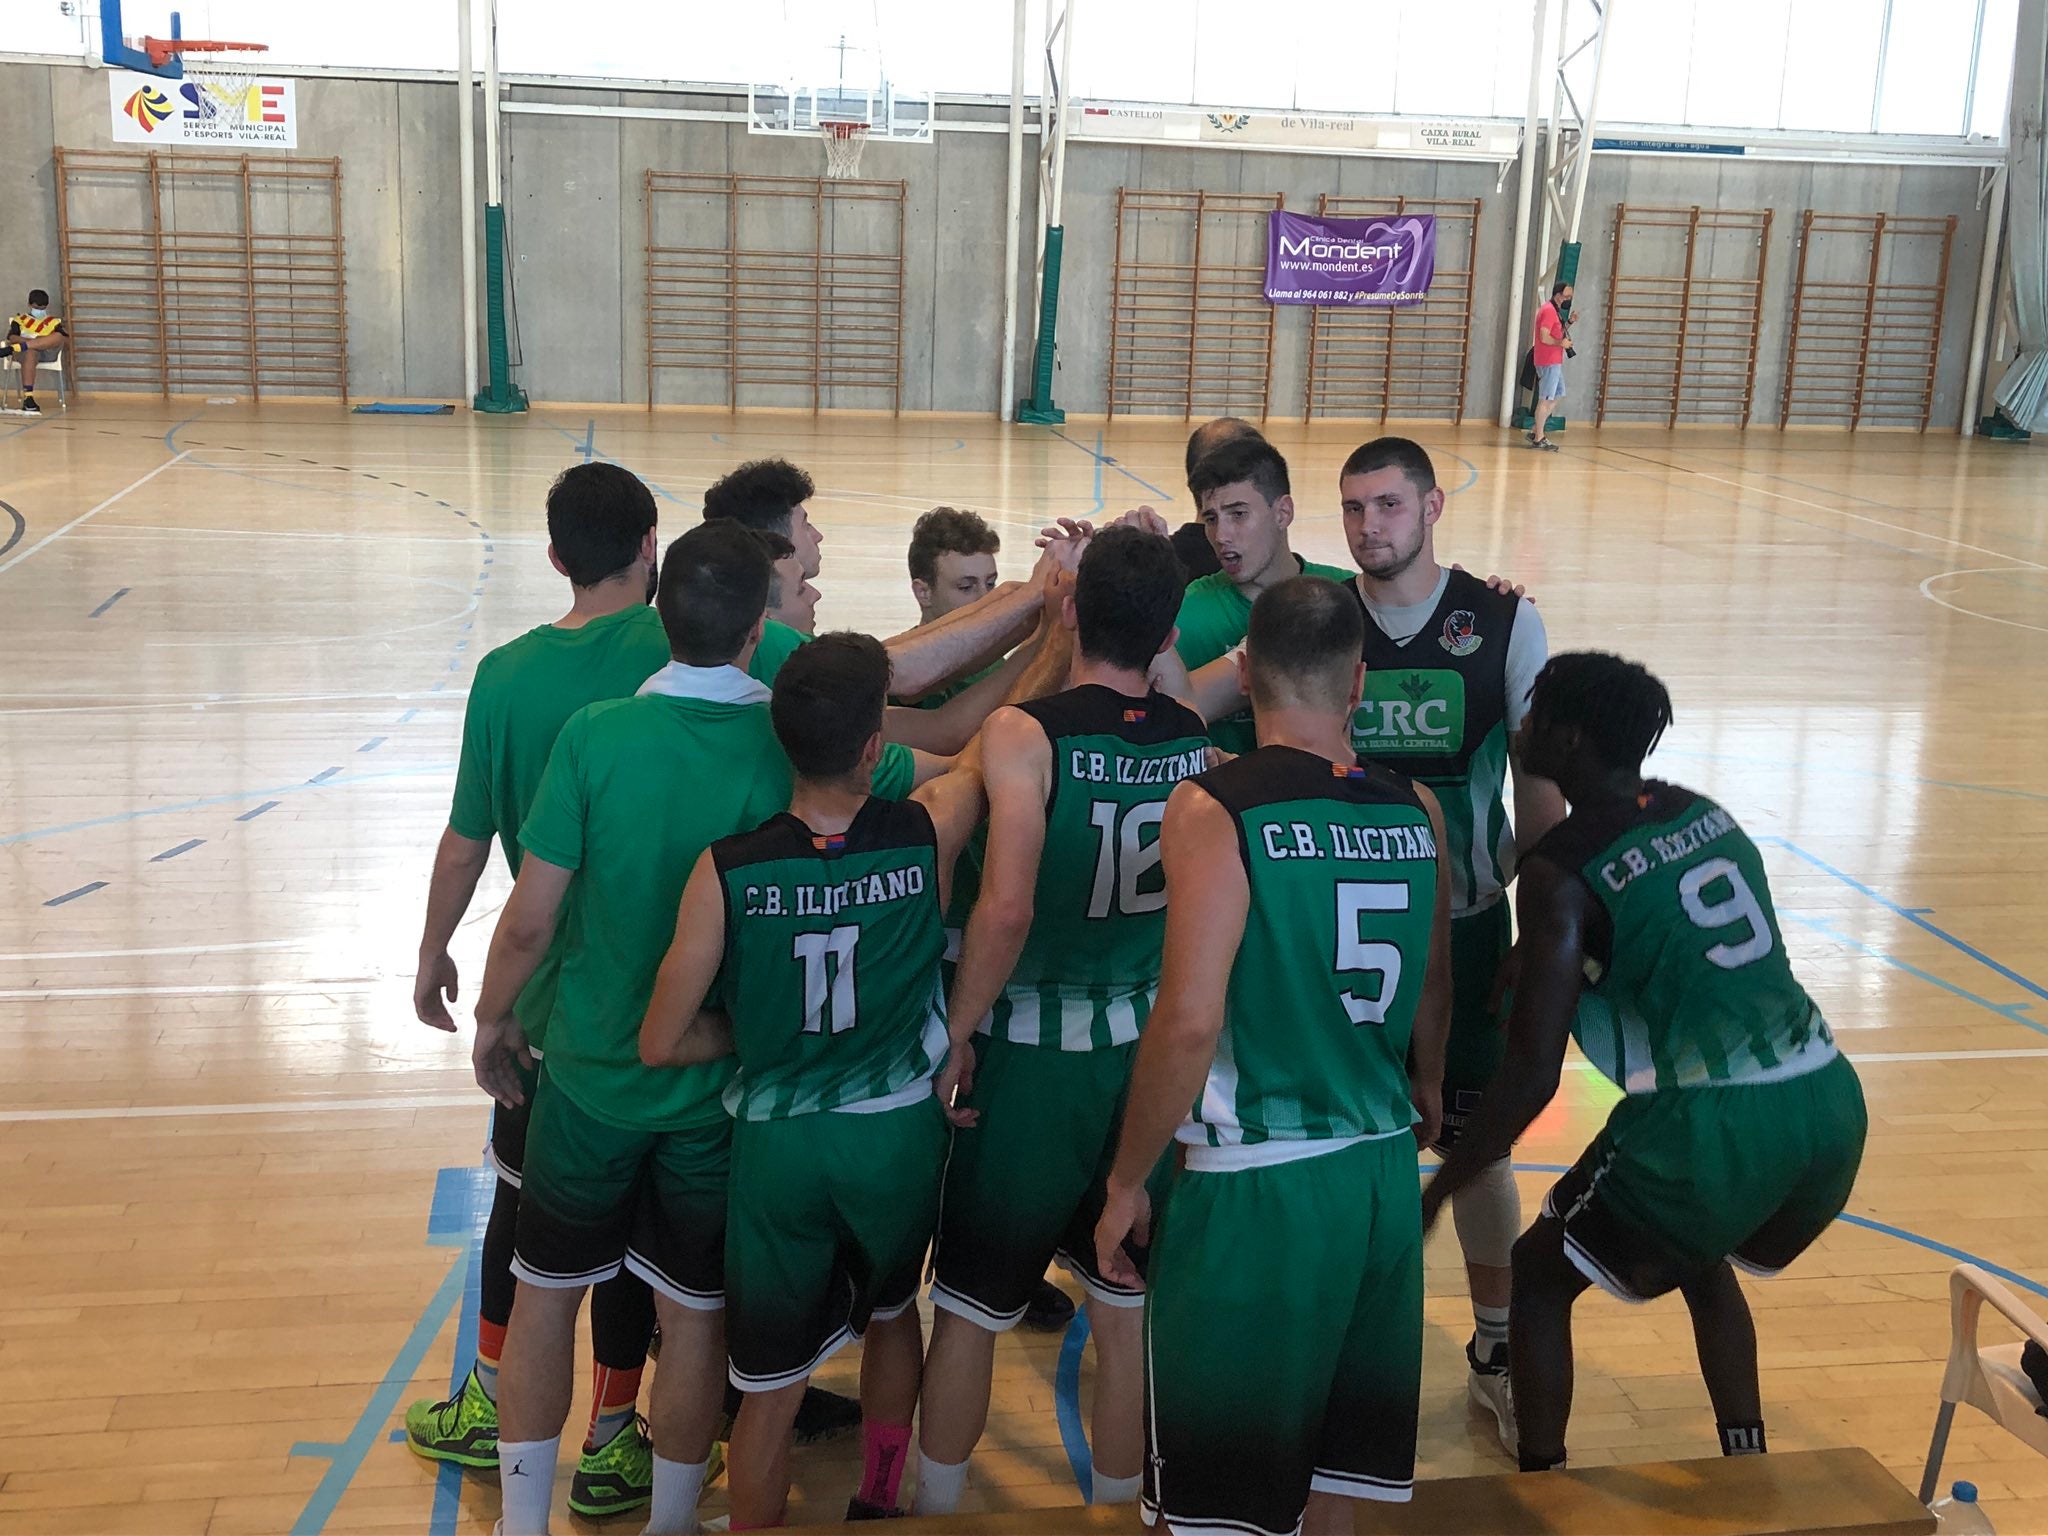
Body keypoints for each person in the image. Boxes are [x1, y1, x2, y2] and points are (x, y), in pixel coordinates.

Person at [1421, 652, 1867, 1475]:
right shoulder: (1701, 812)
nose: (1519, 725)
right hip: (1828, 1099)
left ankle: (1542, 1483)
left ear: (1571, 737)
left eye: (1535, 712)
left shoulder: (1559, 868)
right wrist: (1554, 952)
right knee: (1699, 1252)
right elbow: (1671, 928)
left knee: (1536, 1273)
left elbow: (1531, 1078)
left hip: (1717, 1122)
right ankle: (1747, 1459)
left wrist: (1440, 1191)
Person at [1094, 576, 1452, 1536]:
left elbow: (1188, 1023)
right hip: (1380, 1174)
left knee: (1212, 1511)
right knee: (1340, 1489)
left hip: (1258, 1187)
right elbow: (1431, 986)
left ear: (1246, 669)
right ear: (1360, 683)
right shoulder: (1415, 808)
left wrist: (1127, 1180)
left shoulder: (1215, 806)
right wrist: (1425, 1084)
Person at [472, 521, 795, 1536]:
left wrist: (490, 1016)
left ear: (660, 619)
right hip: (711, 1096)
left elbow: (529, 917)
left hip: (589, 1082)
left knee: (546, 1295)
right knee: (693, 1315)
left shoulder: (596, 736)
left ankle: (523, 1523)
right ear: (757, 631)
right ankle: (666, 1521)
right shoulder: (786, 743)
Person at [638, 633, 987, 1526]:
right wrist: (1055, 622)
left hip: (780, 1147)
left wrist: (759, 1033)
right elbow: (987, 755)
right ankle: (876, 1498)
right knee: (893, 1314)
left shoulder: (727, 869)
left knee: (770, 1388)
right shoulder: (926, 832)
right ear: (875, 747)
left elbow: (660, 1040)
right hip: (894, 1135)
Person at [914, 526, 1212, 1516]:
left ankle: (940, 1506)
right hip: (1138, 1067)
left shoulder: (1022, 734)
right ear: (1169, 626)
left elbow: (1003, 909)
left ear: (1069, 611)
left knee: (965, 1313)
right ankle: (1127, 1505)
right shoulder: (1192, 740)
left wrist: (958, 1026)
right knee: (1124, 1312)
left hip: (1032, 1062)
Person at [403, 463, 668, 1517]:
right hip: (679, 1008)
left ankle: (487, 1400)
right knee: (652, 1240)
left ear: (556, 558)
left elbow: (470, 843)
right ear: (652, 545)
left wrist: (432, 955)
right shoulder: (690, 644)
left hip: (552, 1009)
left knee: (525, 1213)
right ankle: (615, 1432)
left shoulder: (507, 677)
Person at [1338, 435, 1566, 1446]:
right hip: (1337, 929)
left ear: (1432, 507)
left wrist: (1550, 919)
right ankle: (1347, 1343)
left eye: (1387, 505)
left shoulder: (1505, 621)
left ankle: (1493, 1343)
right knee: (1352, 1142)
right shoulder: (1315, 622)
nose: (1368, 526)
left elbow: (1542, 782)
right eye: (1352, 508)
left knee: (1475, 1149)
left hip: (1472, 929)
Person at [701, 460, 1051, 704]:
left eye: (989, 584)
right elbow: (913, 688)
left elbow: (878, 656)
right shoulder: (771, 637)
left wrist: (1013, 603)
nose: (818, 534)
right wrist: (1035, 600)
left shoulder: (736, 620)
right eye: (806, 523)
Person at [1173, 438, 1353, 755]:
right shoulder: (1185, 612)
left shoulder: (1345, 594)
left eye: (1238, 514)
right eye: (1211, 518)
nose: (1221, 536)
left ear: (1283, 512)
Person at [1528, 280, 1574, 451]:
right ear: (1558, 295)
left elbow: (1558, 331)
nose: (1568, 299)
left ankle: (1536, 429)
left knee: (1558, 394)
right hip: (1547, 360)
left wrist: (1569, 322)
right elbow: (1544, 337)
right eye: (1566, 296)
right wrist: (1560, 343)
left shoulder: (1555, 311)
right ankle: (1538, 437)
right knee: (1546, 398)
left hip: (1554, 360)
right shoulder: (1548, 310)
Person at [3, 289, 67, 413]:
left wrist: (39, 341)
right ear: (30, 305)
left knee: (59, 336)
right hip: (26, 355)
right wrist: (30, 341)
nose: (39, 310)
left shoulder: (54, 321)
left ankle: (15, 348)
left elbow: (64, 339)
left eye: (42, 308)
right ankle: (29, 398)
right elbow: (12, 337)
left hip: (47, 353)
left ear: (46, 306)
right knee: (30, 351)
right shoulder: (20, 320)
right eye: (37, 307)